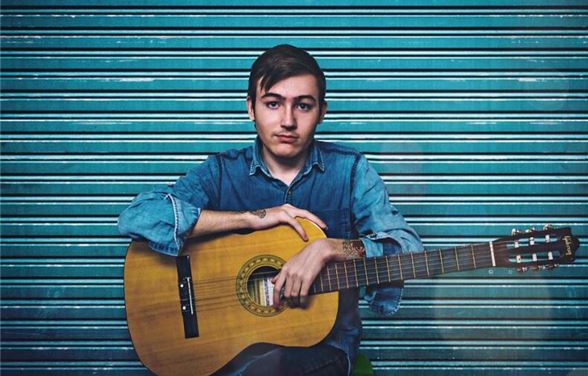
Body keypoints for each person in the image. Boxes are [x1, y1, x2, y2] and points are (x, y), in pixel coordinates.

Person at [118, 44, 423, 375]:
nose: (288, 121)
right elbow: (139, 216)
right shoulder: (221, 173)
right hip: (228, 350)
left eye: (303, 105)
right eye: (273, 104)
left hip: (322, 348)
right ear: (251, 108)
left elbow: (408, 249)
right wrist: (253, 218)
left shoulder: (350, 171)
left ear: (322, 111)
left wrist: (331, 248)